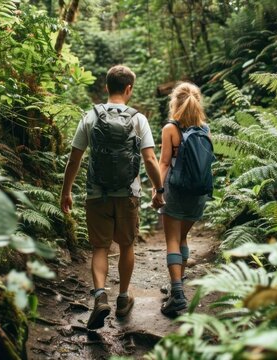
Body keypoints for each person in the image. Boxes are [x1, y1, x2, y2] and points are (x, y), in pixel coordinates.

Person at [60, 65, 165, 330]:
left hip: (97, 193)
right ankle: (122, 298)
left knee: (100, 248)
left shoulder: (90, 116)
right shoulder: (138, 119)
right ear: (129, 89)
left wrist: (66, 191)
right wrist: (158, 189)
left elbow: (74, 159)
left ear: (106, 87)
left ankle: (100, 296)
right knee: (127, 245)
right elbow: (150, 159)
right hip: (128, 193)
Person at [157, 82, 211, 316]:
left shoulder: (170, 129)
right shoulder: (205, 129)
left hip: (176, 191)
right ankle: (177, 282)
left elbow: (165, 162)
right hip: (198, 193)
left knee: (172, 239)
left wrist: (157, 190)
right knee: (183, 237)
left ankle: (178, 294)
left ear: (174, 103)